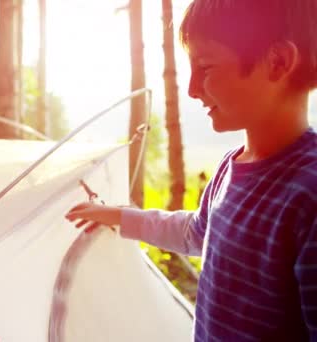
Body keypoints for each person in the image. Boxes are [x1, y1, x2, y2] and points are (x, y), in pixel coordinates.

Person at [65, 0, 317, 340]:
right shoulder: (231, 166)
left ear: (277, 62)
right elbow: (195, 232)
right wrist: (118, 216)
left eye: (206, 68)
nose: (192, 89)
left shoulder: (308, 193)